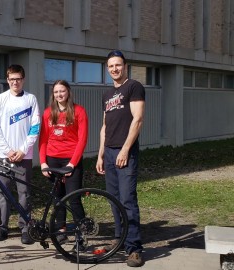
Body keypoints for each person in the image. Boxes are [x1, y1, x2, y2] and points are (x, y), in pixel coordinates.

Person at [95, 50, 145, 267]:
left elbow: (138, 119)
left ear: (125, 66)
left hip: (126, 152)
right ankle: (120, 237)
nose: (114, 69)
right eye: (110, 66)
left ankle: (134, 248)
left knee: (127, 200)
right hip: (109, 152)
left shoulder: (134, 86)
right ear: (107, 69)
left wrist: (125, 150)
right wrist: (100, 153)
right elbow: (105, 126)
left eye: (118, 65)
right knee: (114, 199)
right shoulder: (107, 94)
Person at [0, 64, 40, 245]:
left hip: (23, 156)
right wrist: (8, 150)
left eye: (18, 79)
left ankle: (25, 227)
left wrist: (22, 150)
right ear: (7, 80)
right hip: (3, 155)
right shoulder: (0, 99)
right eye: (12, 79)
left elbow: (35, 126)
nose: (15, 82)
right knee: (3, 193)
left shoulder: (31, 99)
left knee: (24, 193)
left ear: (23, 79)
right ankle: (3, 226)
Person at [38, 80, 88, 244]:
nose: (59, 94)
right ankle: (61, 229)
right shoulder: (47, 113)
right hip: (53, 160)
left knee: (73, 197)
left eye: (62, 91)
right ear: (53, 94)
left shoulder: (79, 111)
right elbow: (43, 140)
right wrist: (43, 163)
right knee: (57, 198)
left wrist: (72, 164)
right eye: (56, 92)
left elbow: (82, 140)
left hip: (71, 160)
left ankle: (82, 229)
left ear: (68, 92)